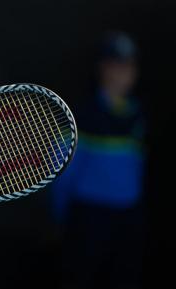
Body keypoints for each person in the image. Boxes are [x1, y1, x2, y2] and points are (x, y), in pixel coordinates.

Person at [52, 31, 146, 289]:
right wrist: (61, 216)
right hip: (88, 219)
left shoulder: (137, 115)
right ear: (102, 68)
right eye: (115, 66)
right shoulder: (80, 115)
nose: (122, 74)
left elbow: (137, 168)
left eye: (128, 66)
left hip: (127, 219)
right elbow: (61, 173)